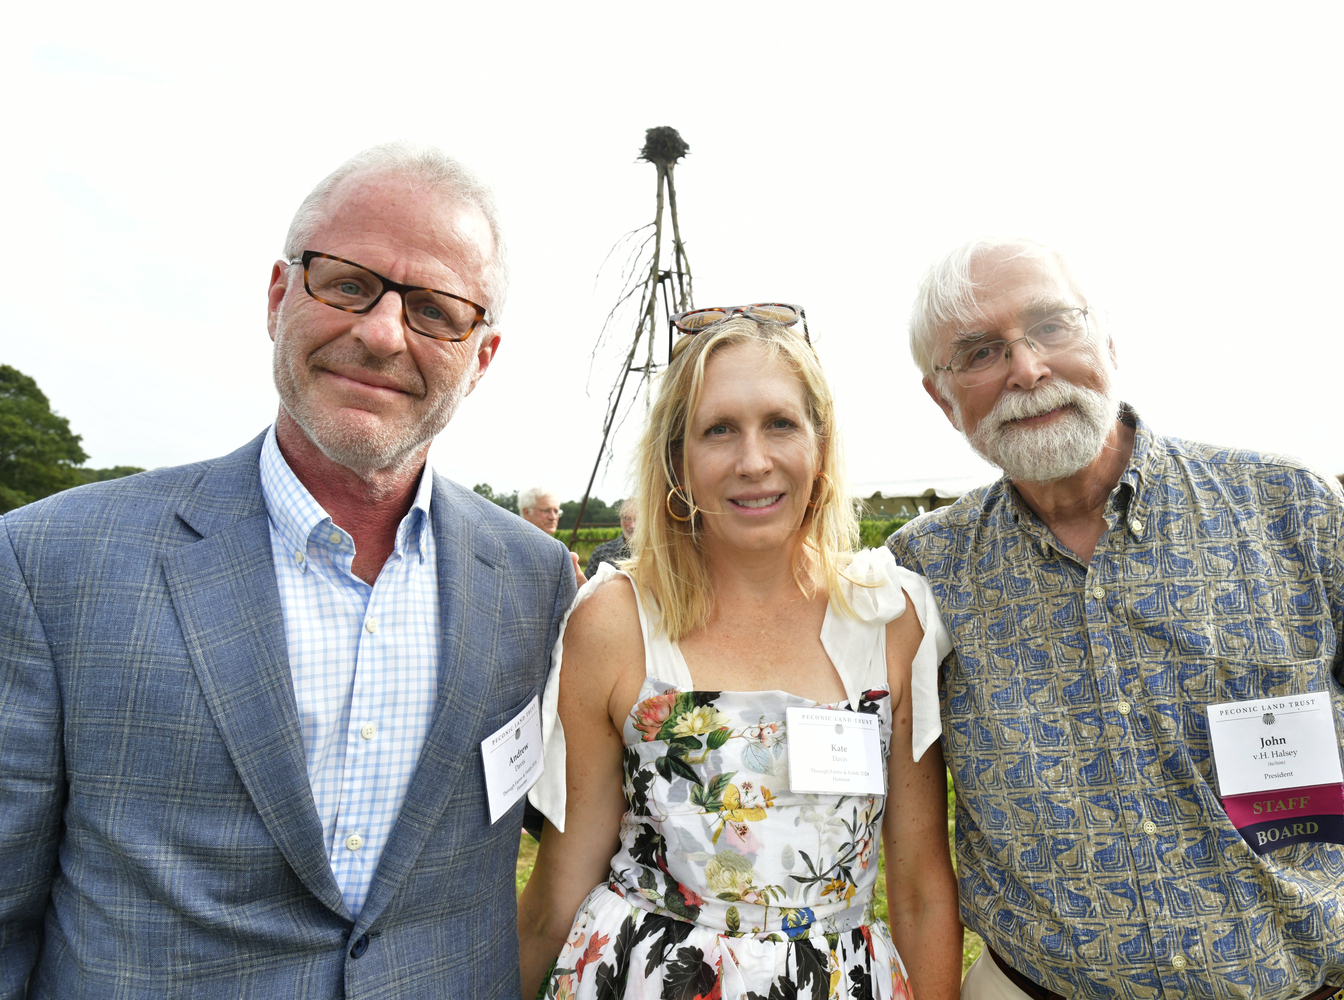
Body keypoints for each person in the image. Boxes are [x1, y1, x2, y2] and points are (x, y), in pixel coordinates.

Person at [0, 143, 577, 998]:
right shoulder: (52, 564)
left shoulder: (536, 585)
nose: (380, 332)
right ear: (278, 297)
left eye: (434, 309)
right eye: (347, 283)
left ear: (481, 356)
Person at [887, 237, 1344, 999]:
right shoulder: (924, 568)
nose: (1028, 368)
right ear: (940, 396)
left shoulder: (1292, 511)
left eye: (1051, 326)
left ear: (1106, 339)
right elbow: (913, 855)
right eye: (979, 351)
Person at [517, 314, 962, 1000]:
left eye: (780, 423)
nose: (753, 460)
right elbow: (558, 886)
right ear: (677, 459)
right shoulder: (615, 621)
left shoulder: (890, 618)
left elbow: (922, 891)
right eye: (718, 429)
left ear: (820, 443)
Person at [584, 497, 638, 579]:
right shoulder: (601, 553)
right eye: (627, 519)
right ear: (620, 520)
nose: (632, 525)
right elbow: (586, 589)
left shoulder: (655, 553)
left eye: (637, 519)